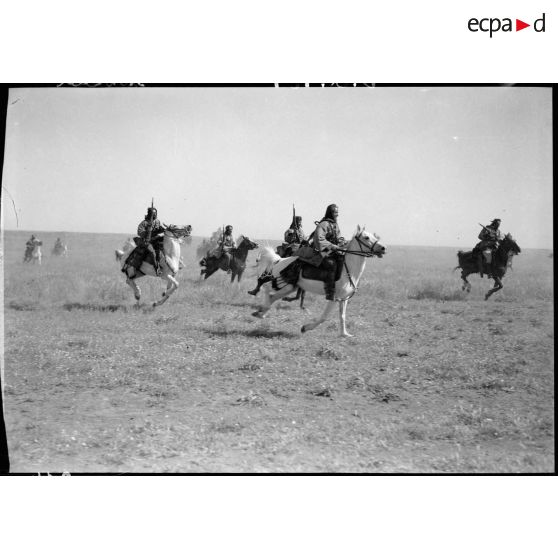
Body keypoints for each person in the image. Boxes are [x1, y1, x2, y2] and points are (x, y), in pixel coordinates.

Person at [248, 216, 307, 296]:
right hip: (290, 248)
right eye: (298, 221)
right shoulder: (290, 230)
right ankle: (258, 287)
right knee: (278, 262)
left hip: (299, 249)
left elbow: (303, 240)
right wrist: (292, 235)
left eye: (300, 221)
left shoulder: (302, 231)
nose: (299, 223)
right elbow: (287, 239)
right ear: (294, 222)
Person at [311, 204, 345, 301]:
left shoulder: (335, 225)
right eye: (335, 212)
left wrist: (342, 242)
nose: (337, 214)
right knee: (331, 264)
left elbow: (339, 237)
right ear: (330, 213)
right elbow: (319, 239)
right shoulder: (323, 224)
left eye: (337, 212)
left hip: (334, 250)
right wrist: (332, 246)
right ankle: (330, 293)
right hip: (324, 250)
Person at [136, 206, 164, 275]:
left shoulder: (157, 221)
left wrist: (161, 230)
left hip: (156, 239)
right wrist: (148, 231)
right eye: (153, 214)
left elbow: (158, 229)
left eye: (155, 213)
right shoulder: (144, 223)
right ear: (149, 214)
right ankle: (157, 269)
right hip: (147, 241)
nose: (154, 215)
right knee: (152, 252)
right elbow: (139, 232)